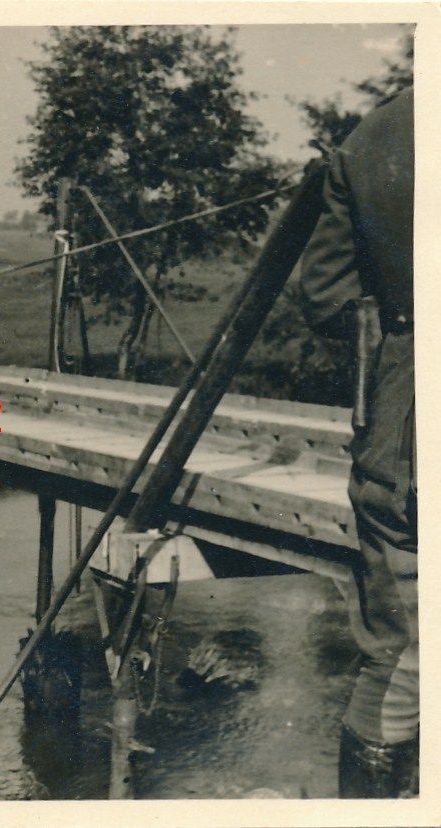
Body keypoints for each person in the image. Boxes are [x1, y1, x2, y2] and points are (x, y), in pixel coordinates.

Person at [300, 88, 415, 798]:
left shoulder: (373, 135)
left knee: (402, 650)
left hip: (406, 422)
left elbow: (325, 293)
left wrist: (400, 345)